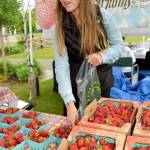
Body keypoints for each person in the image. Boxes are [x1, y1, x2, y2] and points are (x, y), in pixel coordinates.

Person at [35, 0, 126, 125]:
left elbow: (119, 46)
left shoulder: (102, 15)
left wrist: (102, 56)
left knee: (101, 129)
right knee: (73, 136)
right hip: (74, 93)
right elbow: (61, 66)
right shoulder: (60, 24)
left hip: (101, 89)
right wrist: (69, 103)